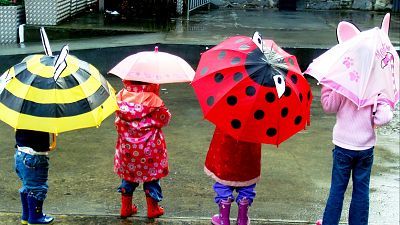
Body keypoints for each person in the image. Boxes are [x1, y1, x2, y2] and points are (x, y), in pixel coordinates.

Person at [317, 86, 393, 225]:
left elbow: (328, 106)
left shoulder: (343, 82)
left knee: (337, 190)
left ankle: (329, 222)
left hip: (343, 146)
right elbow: (384, 118)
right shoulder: (375, 86)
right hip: (365, 147)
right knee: (361, 191)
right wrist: (381, 102)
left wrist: (328, 87)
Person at [113, 80, 171, 219]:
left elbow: (118, 122)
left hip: (127, 149)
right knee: (151, 178)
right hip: (150, 149)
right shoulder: (154, 100)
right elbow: (165, 119)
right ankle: (153, 209)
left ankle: (126, 208)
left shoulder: (120, 96)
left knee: (128, 176)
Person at [205, 127, 262, 225]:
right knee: (247, 182)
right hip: (250, 148)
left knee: (223, 180)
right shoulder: (256, 118)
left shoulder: (227, 114)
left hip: (226, 147)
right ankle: (242, 219)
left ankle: (223, 219)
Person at [15, 129, 56, 225]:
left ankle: (27, 215)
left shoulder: (23, 116)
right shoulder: (42, 117)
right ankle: (35, 217)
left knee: (27, 186)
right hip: (34, 157)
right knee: (37, 187)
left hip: (20, 154)